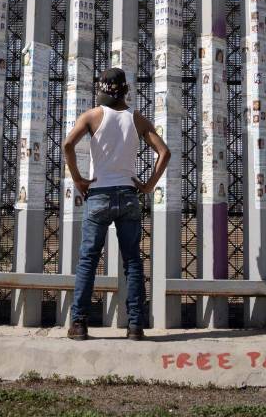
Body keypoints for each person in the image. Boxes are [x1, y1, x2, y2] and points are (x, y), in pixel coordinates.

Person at [62, 67, 170, 341]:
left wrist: (78, 179)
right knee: (132, 262)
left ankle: (79, 324)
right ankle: (135, 326)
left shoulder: (92, 116)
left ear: (102, 90)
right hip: (128, 194)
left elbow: (67, 145)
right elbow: (164, 152)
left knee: (88, 260)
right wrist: (148, 185)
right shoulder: (137, 119)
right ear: (126, 91)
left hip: (98, 193)